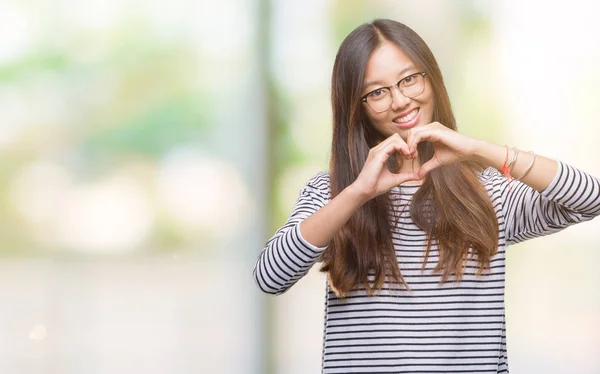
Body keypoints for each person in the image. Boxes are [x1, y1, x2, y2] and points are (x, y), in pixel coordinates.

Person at [252, 18, 600, 374]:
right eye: (377, 92)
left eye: (409, 79)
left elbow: (590, 198)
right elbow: (269, 276)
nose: (401, 101)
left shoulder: (488, 194)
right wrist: (357, 192)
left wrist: (481, 150)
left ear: (430, 77)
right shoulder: (331, 193)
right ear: (356, 107)